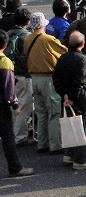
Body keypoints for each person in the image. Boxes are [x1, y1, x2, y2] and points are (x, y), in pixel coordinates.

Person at [51, 31, 86, 170]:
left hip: (65, 98)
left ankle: (69, 154)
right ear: (83, 44)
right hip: (80, 99)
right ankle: (80, 160)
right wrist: (71, 97)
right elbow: (80, 82)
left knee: (69, 125)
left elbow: (56, 77)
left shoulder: (63, 57)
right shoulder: (83, 59)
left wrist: (64, 95)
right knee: (82, 129)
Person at [26, 12, 68, 153]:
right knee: (54, 113)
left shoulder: (27, 39)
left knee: (41, 112)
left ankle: (42, 144)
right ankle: (55, 145)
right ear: (44, 24)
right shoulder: (48, 39)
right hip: (48, 79)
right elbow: (64, 52)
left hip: (34, 78)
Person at [0, 30, 34, 177]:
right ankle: (15, 168)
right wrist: (15, 105)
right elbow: (8, 86)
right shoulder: (4, 61)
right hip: (1, 106)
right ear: (5, 45)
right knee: (8, 138)